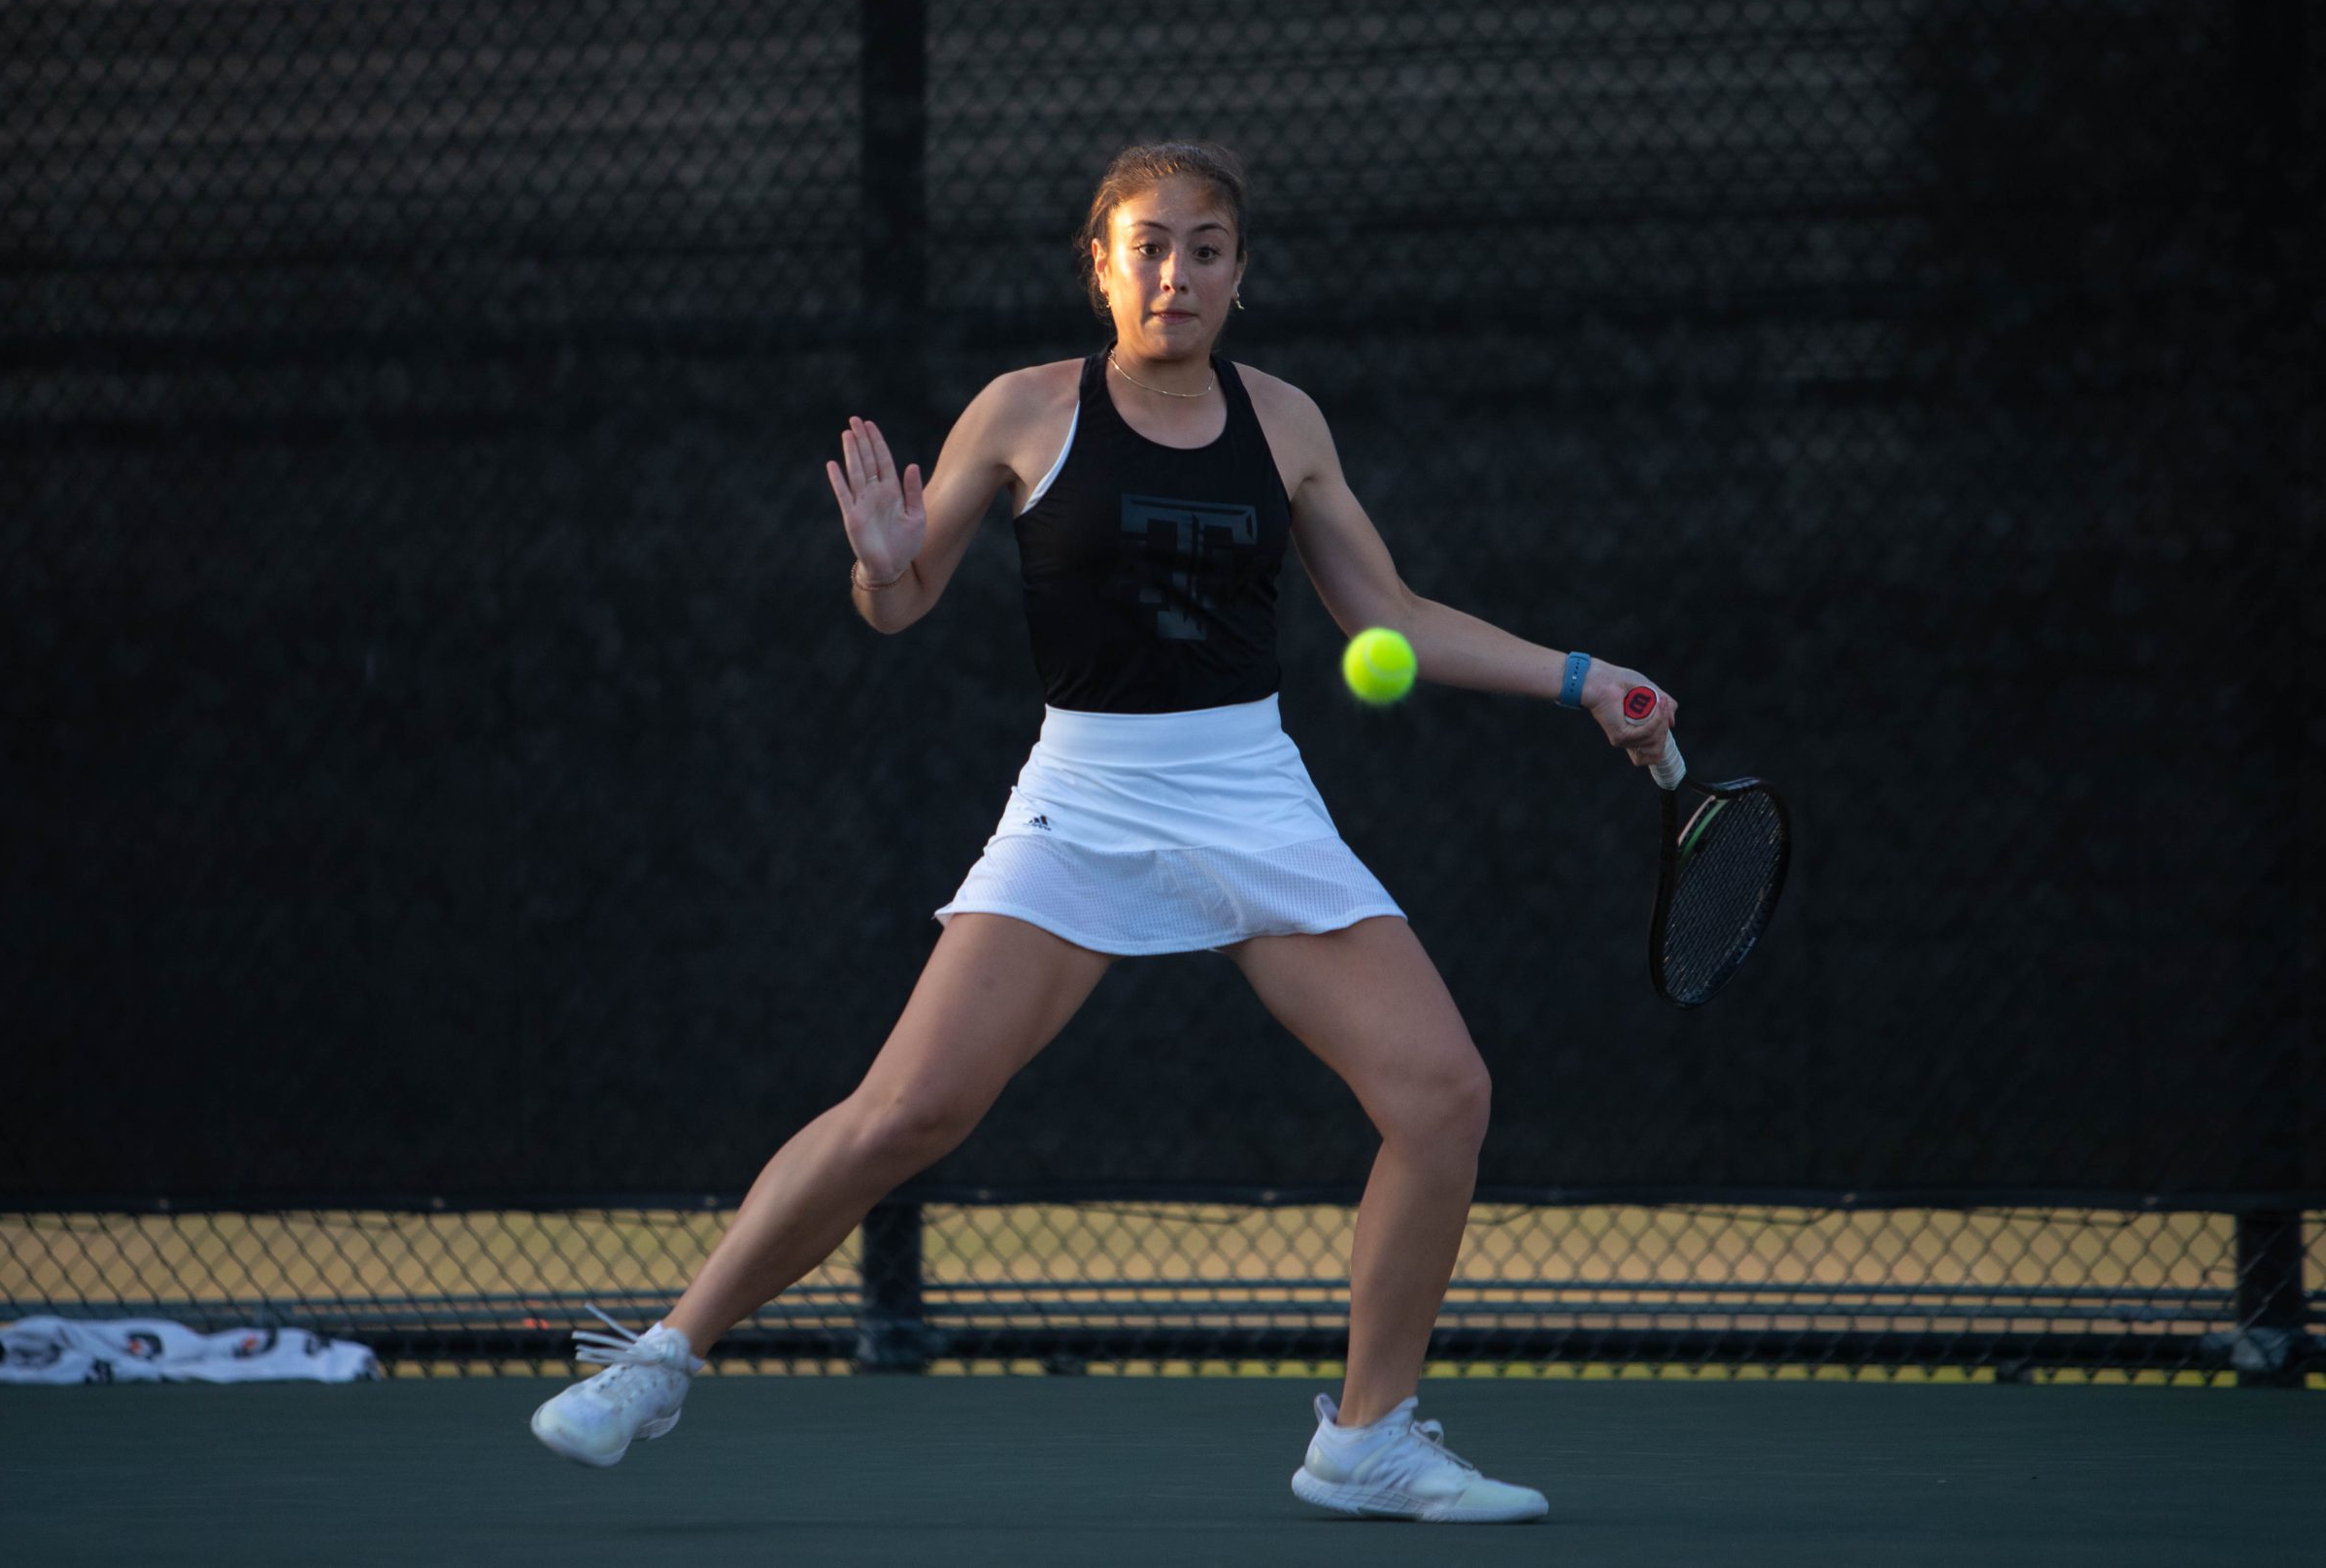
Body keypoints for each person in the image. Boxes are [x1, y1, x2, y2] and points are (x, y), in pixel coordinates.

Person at [529, 140, 1676, 1522]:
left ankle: (1365, 1440)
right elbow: (899, 600)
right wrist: (880, 569)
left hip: (1251, 790)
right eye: (1146, 244)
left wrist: (1584, 676)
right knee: (913, 1109)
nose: (1173, 271)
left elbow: (1393, 618)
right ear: (1099, 264)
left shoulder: (1288, 423)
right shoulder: (1021, 412)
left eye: (1203, 247)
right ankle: (661, 1358)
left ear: (1239, 275)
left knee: (1443, 1096)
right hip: (1085, 796)